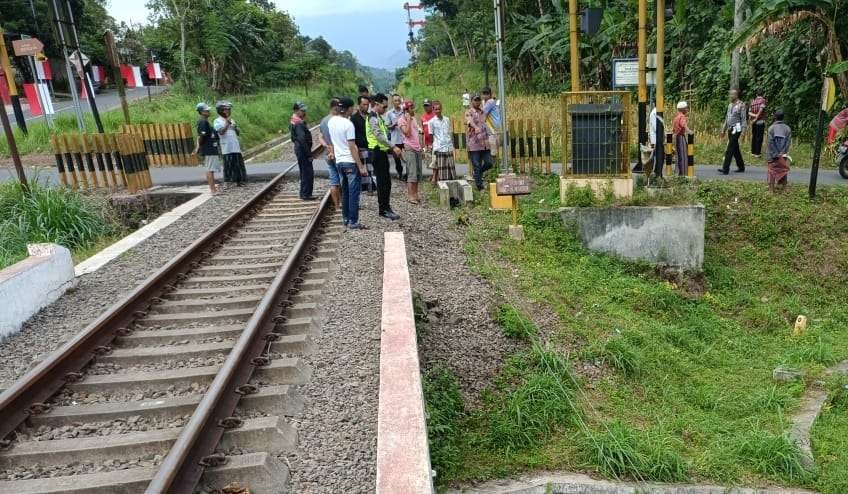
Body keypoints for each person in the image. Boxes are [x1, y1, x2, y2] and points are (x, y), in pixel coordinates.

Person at [328, 97, 368, 229]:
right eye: (353, 107)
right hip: (350, 162)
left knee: (345, 192)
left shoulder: (331, 121)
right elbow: (352, 147)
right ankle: (353, 221)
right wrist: (361, 166)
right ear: (349, 108)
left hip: (339, 162)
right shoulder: (348, 124)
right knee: (353, 193)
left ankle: (345, 219)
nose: (354, 109)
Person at [367, 93, 402, 220]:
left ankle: (386, 207)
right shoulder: (372, 118)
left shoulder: (378, 117)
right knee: (383, 183)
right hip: (376, 153)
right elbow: (379, 136)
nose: (385, 109)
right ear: (377, 104)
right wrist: (393, 146)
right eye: (384, 106)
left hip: (381, 152)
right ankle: (383, 209)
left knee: (386, 182)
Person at [213, 100, 247, 187]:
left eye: (228, 109)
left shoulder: (232, 120)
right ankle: (228, 182)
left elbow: (237, 133)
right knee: (228, 164)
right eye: (226, 109)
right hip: (226, 147)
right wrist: (227, 123)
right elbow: (221, 132)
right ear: (221, 110)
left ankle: (239, 180)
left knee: (238, 164)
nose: (228, 111)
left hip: (235, 146)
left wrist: (236, 128)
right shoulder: (217, 121)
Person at [465, 94, 492, 190]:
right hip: (474, 143)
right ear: (472, 101)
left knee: (489, 163)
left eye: (478, 100)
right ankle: (479, 186)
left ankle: (477, 174)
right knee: (476, 165)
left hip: (484, 142)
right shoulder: (469, 112)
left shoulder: (483, 112)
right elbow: (469, 121)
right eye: (475, 100)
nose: (477, 102)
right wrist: (475, 127)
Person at [318, 97, 342, 209]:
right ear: (335, 107)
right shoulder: (338, 120)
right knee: (343, 180)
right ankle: (344, 204)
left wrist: (326, 146)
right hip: (338, 153)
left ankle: (337, 206)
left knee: (333, 181)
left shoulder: (323, 121)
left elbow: (321, 137)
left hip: (328, 154)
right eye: (339, 107)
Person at [398, 100, 423, 204]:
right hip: (409, 148)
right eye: (411, 108)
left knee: (417, 173)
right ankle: (410, 196)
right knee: (411, 173)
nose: (413, 109)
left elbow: (417, 133)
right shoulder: (401, 120)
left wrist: (421, 146)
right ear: (406, 110)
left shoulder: (414, 119)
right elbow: (407, 133)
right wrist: (408, 119)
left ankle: (416, 194)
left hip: (417, 148)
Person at [193, 102, 220, 194]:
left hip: (211, 147)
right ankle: (213, 190)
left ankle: (213, 188)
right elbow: (201, 136)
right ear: (201, 112)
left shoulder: (205, 121)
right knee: (210, 169)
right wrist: (198, 147)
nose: (208, 111)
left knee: (211, 168)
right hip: (208, 148)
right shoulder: (203, 122)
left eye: (208, 110)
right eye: (206, 110)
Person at [290, 101, 315, 200]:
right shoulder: (298, 123)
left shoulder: (293, 120)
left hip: (299, 149)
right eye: (302, 110)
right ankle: (306, 194)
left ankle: (304, 193)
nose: (304, 112)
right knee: (307, 172)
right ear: (296, 110)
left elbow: (293, 138)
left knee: (304, 171)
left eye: (304, 110)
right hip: (302, 150)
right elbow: (301, 139)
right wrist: (309, 154)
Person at [351, 95, 375, 195]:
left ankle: (370, 188)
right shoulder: (354, 118)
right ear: (359, 105)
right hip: (360, 147)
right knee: (362, 168)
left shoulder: (371, 116)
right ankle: (363, 188)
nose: (366, 106)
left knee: (371, 168)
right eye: (364, 104)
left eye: (367, 104)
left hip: (371, 146)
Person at [427, 100, 456, 182]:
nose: (438, 111)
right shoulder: (431, 122)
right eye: (436, 109)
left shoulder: (447, 119)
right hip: (439, 148)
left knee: (450, 169)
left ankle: (452, 185)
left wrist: (452, 144)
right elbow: (431, 136)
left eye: (439, 109)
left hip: (448, 147)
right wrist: (434, 146)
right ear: (433, 110)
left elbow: (449, 132)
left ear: (441, 109)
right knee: (442, 170)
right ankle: (442, 187)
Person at [719, 89, 746, 175]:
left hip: (737, 129)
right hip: (730, 129)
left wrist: (743, 133)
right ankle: (741, 166)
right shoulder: (730, 105)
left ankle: (725, 168)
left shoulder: (741, 105)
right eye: (730, 94)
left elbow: (744, 120)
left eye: (732, 95)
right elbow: (727, 118)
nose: (730, 96)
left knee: (730, 148)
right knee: (735, 149)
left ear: (736, 95)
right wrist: (723, 129)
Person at [766, 109, 792, 193]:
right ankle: (784, 188)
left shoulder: (771, 128)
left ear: (775, 117)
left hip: (772, 154)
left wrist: (775, 153)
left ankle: (771, 189)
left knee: (771, 170)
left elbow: (770, 142)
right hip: (783, 154)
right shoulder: (787, 129)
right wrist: (782, 153)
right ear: (783, 117)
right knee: (783, 169)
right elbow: (788, 142)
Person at [386, 94, 406, 179]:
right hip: (395, 139)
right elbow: (387, 126)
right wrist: (394, 125)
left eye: (398, 100)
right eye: (395, 100)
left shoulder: (404, 111)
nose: (397, 102)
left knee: (408, 156)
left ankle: (408, 173)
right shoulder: (389, 113)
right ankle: (400, 172)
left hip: (405, 138)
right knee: (397, 158)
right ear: (392, 102)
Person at [672, 101, 692, 177]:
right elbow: (683, 125)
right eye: (686, 108)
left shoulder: (676, 117)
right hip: (680, 137)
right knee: (683, 155)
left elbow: (674, 128)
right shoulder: (682, 116)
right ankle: (683, 173)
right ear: (683, 109)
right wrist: (689, 131)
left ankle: (677, 172)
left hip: (675, 137)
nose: (687, 109)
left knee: (678, 155)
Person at [481, 86, 502, 158]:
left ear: (490, 94)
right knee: (494, 149)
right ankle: (495, 167)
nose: (485, 96)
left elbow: (482, 114)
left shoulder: (490, 102)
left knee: (492, 150)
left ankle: (493, 167)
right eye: (484, 94)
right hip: (496, 128)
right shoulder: (492, 101)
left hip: (493, 128)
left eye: (487, 94)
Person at [749, 92, 767, 158]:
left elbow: (749, 112)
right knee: (759, 138)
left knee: (754, 137)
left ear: (756, 95)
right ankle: (757, 153)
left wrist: (754, 117)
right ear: (763, 94)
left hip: (753, 122)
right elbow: (761, 110)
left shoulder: (753, 101)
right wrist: (757, 117)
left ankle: (753, 152)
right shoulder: (763, 101)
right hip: (760, 121)